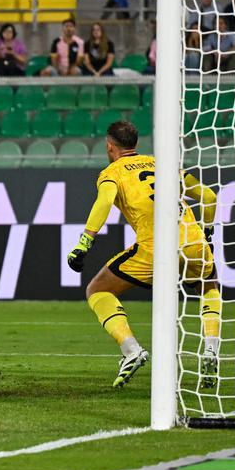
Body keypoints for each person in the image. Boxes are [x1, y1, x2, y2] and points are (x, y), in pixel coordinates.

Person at [66, 120, 220, 389]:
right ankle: (211, 348)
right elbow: (209, 197)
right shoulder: (162, 164)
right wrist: (206, 234)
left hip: (156, 248)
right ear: (135, 144)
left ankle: (131, 350)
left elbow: (103, 202)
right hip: (193, 242)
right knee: (209, 285)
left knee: (98, 290)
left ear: (109, 146)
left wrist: (84, 243)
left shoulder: (112, 173)